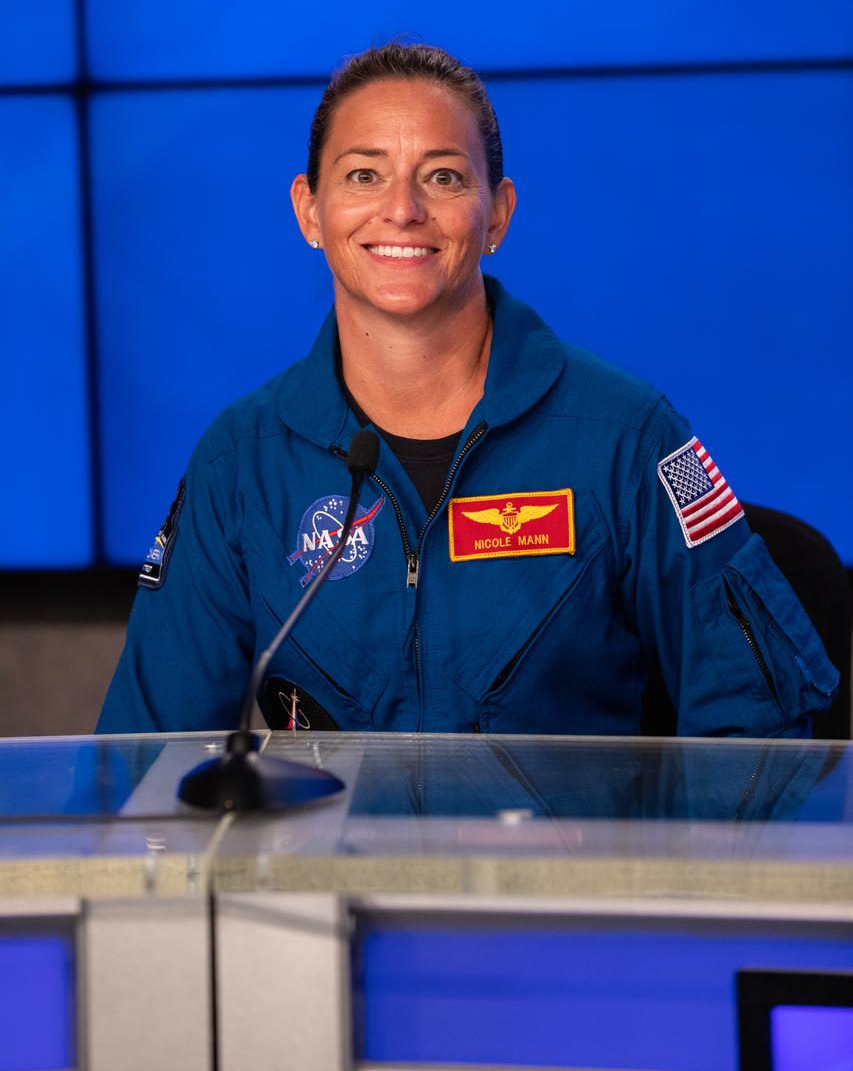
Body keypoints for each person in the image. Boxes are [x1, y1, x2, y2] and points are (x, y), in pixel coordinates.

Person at [97, 43, 838, 738]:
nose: (401, 209)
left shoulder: (625, 435)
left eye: (443, 176)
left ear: (498, 215)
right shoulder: (243, 462)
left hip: (569, 875)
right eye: (363, 174)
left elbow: (755, 743)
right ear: (310, 211)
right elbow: (142, 759)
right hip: (330, 876)